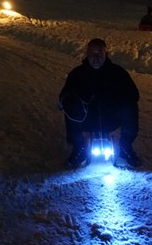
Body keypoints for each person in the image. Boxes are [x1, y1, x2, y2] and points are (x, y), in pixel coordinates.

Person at [59, 38, 141, 168]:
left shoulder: (118, 73)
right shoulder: (77, 74)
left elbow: (133, 94)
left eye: (100, 53)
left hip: (111, 117)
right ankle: (79, 148)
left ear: (106, 54)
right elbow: (64, 96)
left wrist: (116, 99)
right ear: (87, 54)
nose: (96, 57)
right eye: (92, 53)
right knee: (71, 106)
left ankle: (125, 147)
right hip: (87, 118)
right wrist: (72, 101)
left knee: (130, 106)